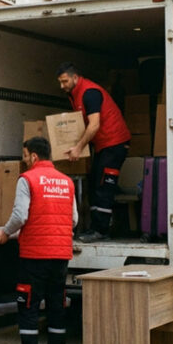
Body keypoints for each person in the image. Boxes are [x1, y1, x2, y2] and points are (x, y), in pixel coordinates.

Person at [0, 136, 77, 344]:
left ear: (33, 156)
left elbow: (20, 215)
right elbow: (74, 220)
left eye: (25, 156)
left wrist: (5, 232)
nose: (25, 160)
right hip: (61, 255)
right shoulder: (66, 182)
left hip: (35, 254)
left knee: (28, 307)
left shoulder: (27, 179)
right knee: (56, 308)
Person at [56, 63, 131, 243]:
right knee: (95, 182)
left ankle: (101, 230)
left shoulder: (90, 93)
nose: (62, 86)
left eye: (65, 81)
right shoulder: (74, 94)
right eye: (59, 82)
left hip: (115, 142)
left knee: (103, 185)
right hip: (103, 145)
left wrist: (78, 148)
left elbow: (94, 124)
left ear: (75, 78)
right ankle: (96, 228)